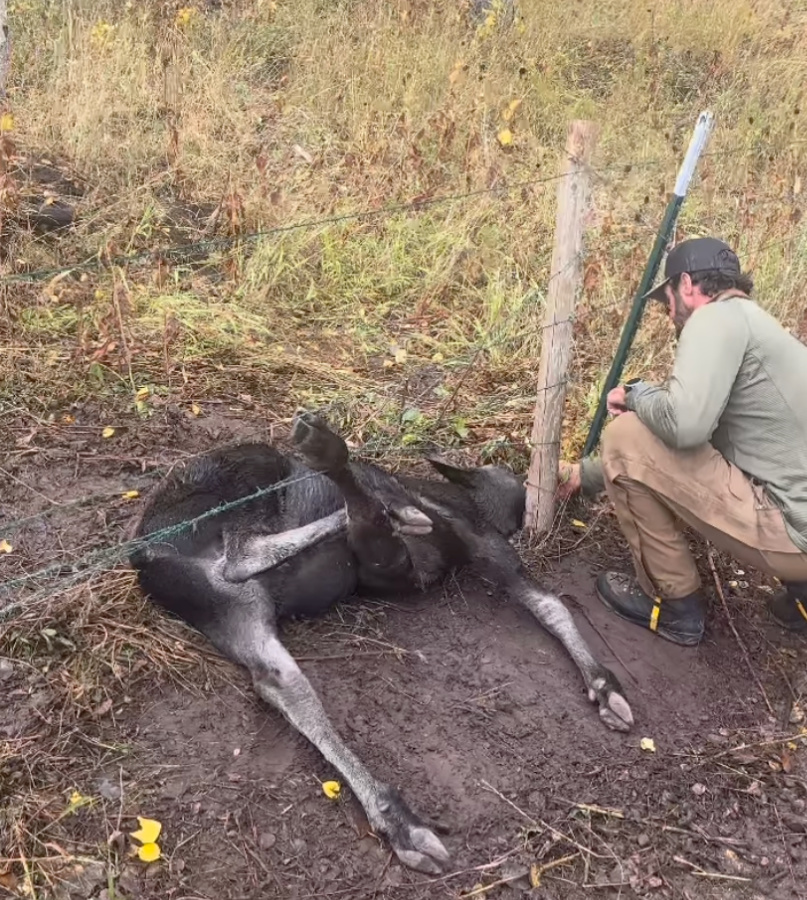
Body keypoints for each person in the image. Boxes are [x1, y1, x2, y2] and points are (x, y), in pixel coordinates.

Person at [557, 236, 807, 646]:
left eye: (668, 299)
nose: (669, 312)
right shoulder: (762, 329)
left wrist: (636, 393)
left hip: (794, 535)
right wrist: (586, 476)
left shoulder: (713, 320)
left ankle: (673, 605)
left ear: (687, 284)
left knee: (625, 433)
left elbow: (684, 428)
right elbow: (685, 444)